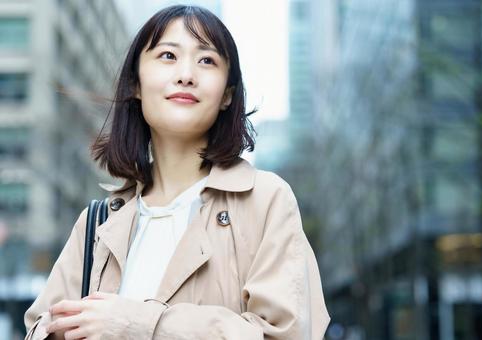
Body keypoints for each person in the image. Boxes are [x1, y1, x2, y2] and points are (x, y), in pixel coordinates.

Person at [24, 5, 330, 339]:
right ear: (136, 84)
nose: (186, 74)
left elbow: (288, 333)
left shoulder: (265, 201)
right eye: (168, 55)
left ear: (227, 94)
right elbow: (40, 326)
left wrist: (139, 324)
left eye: (206, 60)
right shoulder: (98, 223)